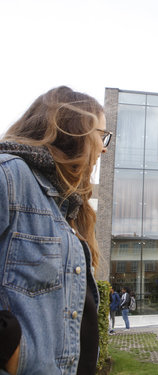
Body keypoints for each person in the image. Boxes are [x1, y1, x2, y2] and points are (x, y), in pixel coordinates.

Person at [0, 86, 110, 374]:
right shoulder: (9, 177)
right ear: (75, 130)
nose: (105, 146)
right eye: (102, 135)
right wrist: (10, 349)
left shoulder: (66, 207)